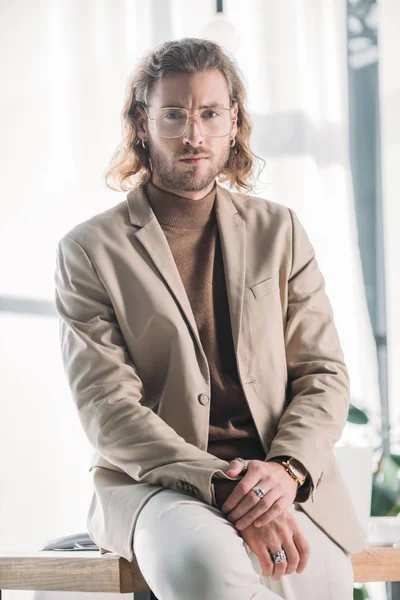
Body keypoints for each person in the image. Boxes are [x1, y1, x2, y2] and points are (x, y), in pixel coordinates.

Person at [54, 38, 366, 599]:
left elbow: (323, 373)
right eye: (174, 114)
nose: (193, 135)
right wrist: (223, 486)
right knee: (205, 567)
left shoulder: (281, 230)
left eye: (209, 113)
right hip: (157, 486)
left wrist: (285, 473)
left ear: (233, 120)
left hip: (280, 476)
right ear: (142, 123)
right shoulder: (90, 250)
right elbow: (108, 408)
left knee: (321, 579)